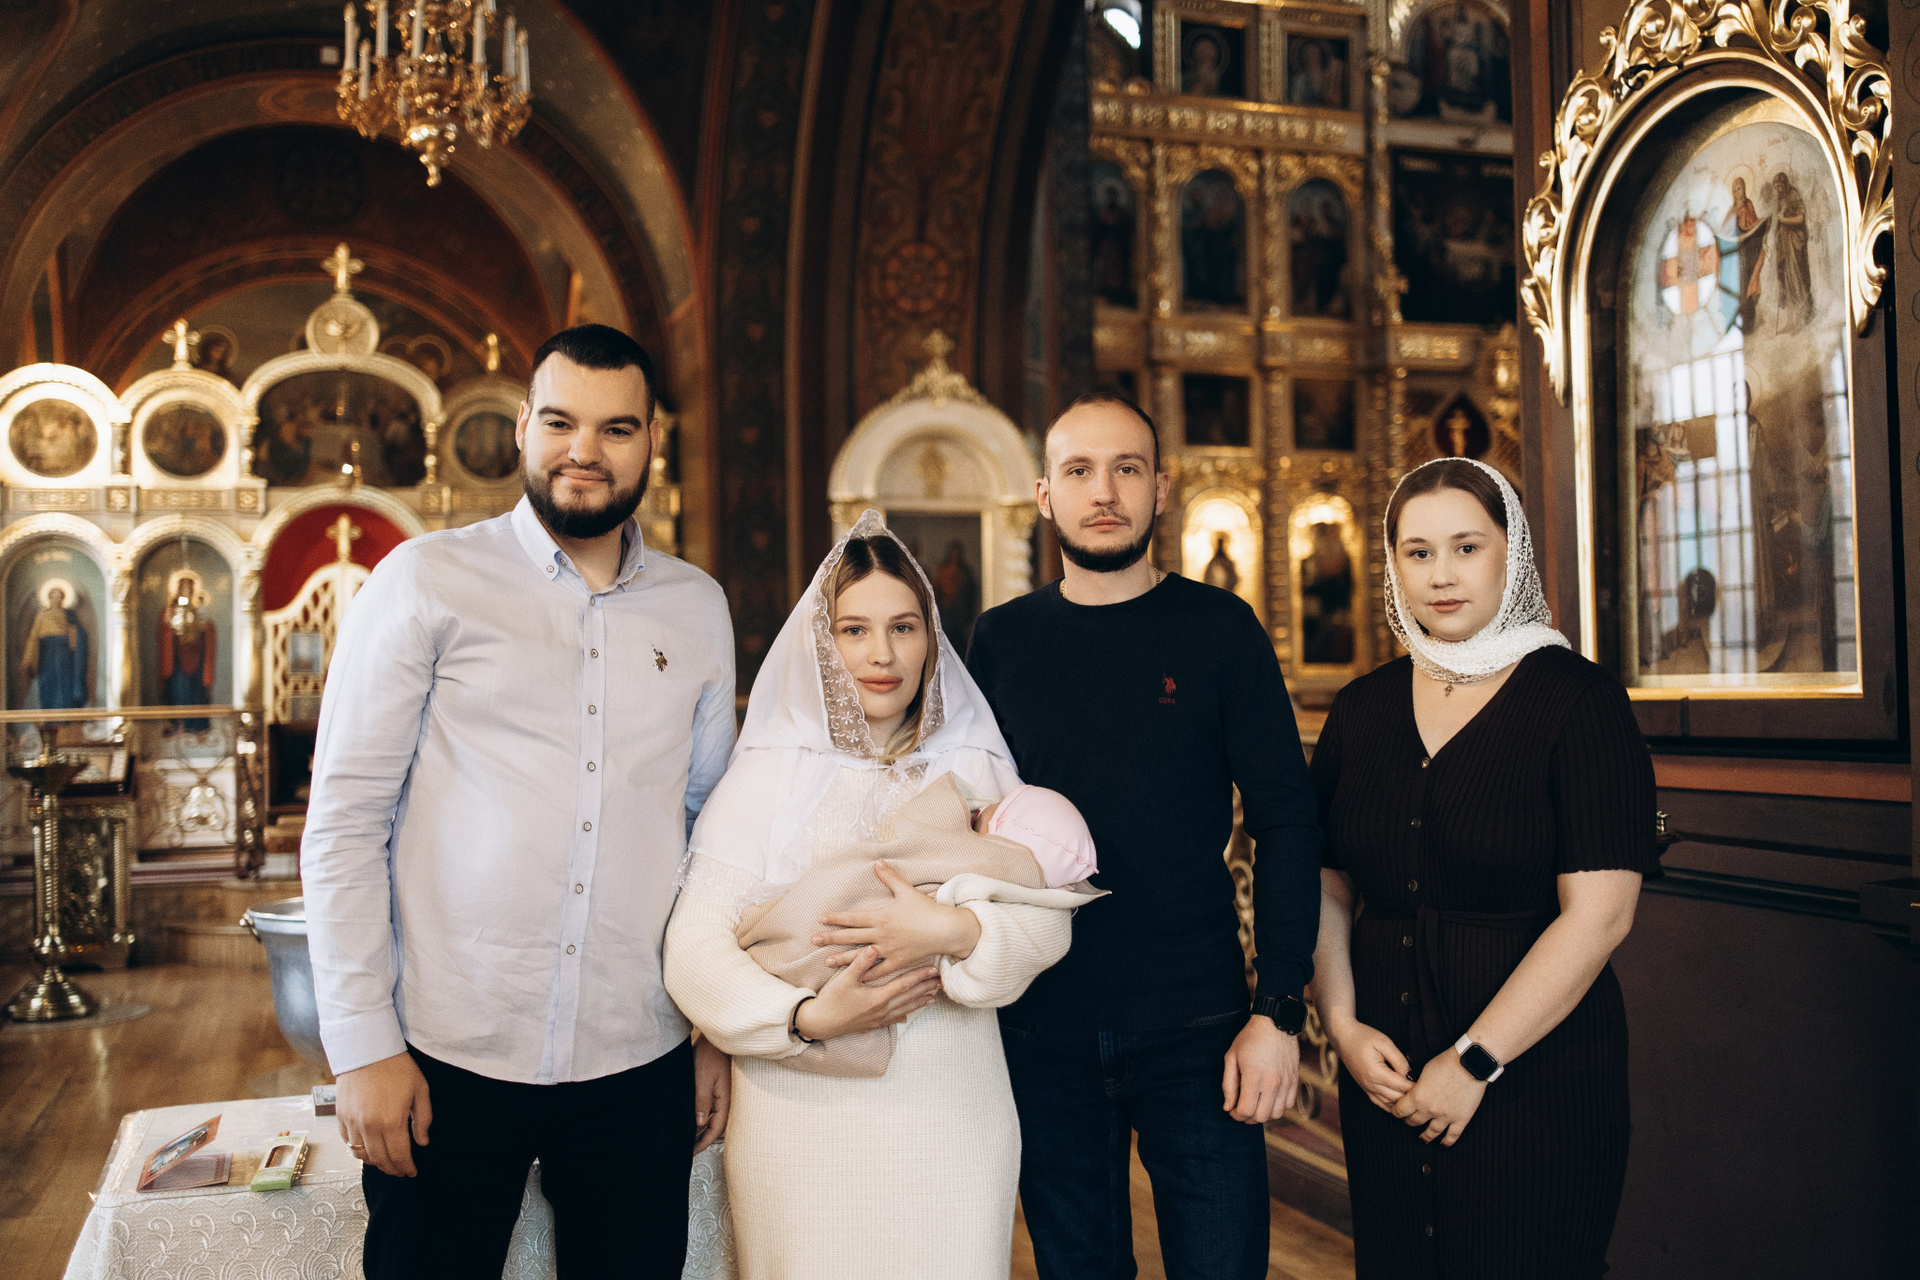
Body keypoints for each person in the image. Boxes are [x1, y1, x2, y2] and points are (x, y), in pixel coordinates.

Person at [302, 324, 737, 1279]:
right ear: (521, 428)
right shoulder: (426, 579)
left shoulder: (698, 607)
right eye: (561, 422)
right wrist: (364, 1046)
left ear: (653, 441)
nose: (586, 450)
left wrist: (714, 1024)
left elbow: (713, 834)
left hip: (639, 1055)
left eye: (617, 428)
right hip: (447, 1053)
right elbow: (345, 822)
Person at [663, 512, 1092, 1279]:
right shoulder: (768, 774)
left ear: (932, 640)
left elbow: (1049, 926)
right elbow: (693, 949)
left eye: (903, 627)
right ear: (821, 643)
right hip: (797, 1112)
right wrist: (806, 1018)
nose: (881, 655)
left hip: (952, 1114)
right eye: (854, 630)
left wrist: (950, 932)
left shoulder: (974, 767)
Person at [966, 393, 1325, 1280]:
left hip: (1199, 1026)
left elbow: (1287, 819)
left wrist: (1279, 1010)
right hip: (1043, 1026)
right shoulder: (1001, 642)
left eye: (1127, 468)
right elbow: (964, 822)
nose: (1105, 491)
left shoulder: (1220, 631)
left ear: (1161, 489)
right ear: (1044, 494)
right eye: (1080, 471)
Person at [1308, 457, 1660, 1279]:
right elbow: (1326, 883)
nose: (1441, 575)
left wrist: (1474, 1061)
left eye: (1466, 547)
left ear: (1513, 553)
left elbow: (1601, 916)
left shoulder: (1579, 700)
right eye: (1418, 552)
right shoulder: (1361, 708)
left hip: (1533, 1078)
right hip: (1384, 1074)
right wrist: (1344, 1024)